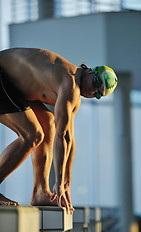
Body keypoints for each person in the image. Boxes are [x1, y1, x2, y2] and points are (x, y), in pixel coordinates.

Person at [0, 48, 117, 214]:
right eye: (96, 84)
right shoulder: (69, 82)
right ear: (90, 71)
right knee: (32, 135)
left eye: (98, 94)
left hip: (12, 84)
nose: (92, 92)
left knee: (48, 122)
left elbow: (69, 139)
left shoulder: (74, 94)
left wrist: (66, 183)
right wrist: (59, 183)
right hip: (3, 74)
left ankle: (40, 191)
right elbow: (62, 137)